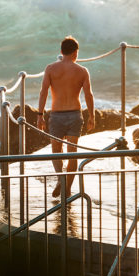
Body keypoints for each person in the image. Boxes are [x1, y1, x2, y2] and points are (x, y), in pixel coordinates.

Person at [37, 36, 95, 198]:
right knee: (72, 153)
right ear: (76, 52)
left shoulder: (50, 69)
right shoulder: (82, 71)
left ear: (61, 51)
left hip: (56, 115)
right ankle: (67, 186)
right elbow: (88, 95)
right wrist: (92, 116)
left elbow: (44, 92)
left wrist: (40, 115)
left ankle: (61, 180)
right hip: (75, 115)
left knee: (56, 151)